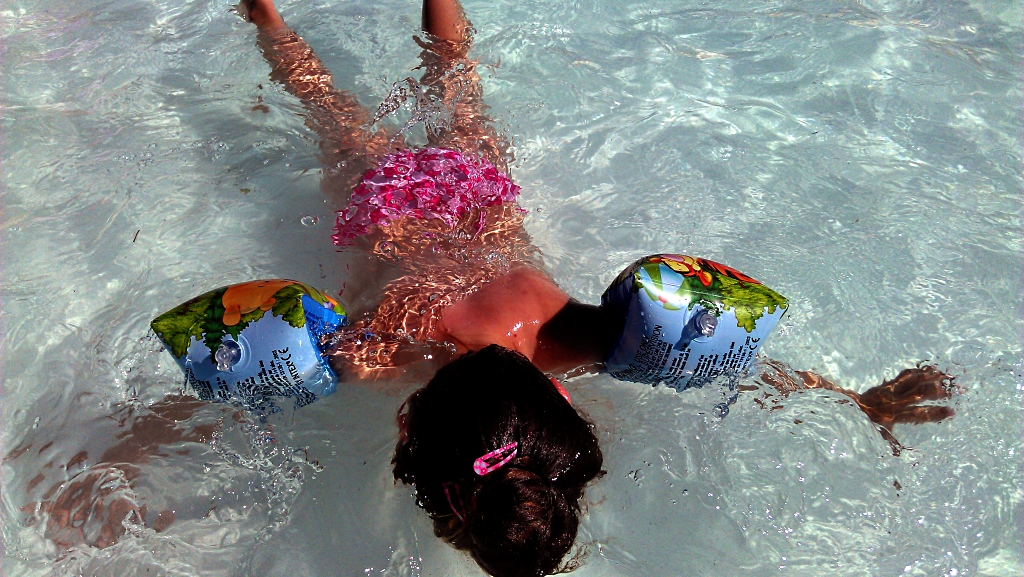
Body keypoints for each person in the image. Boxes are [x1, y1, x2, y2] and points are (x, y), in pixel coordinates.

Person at [20, 1, 955, 574]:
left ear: (560, 403)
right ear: (404, 424)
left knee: (455, 81)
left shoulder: (583, 340)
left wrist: (852, 396)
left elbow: (727, 362)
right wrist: (103, 460)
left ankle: (278, 16)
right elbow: (235, 389)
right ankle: (266, 17)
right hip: (387, 206)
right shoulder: (376, 352)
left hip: (479, 195)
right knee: (329, 105)